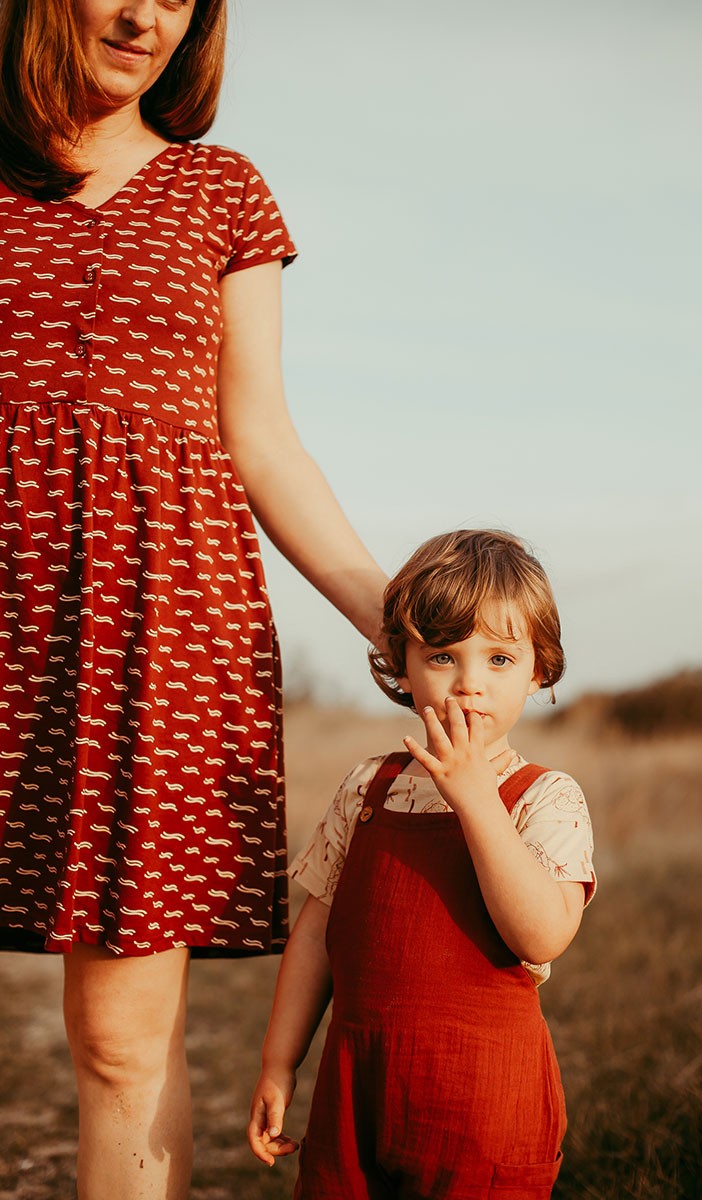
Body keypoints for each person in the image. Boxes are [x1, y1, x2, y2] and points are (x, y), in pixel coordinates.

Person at [0, 2, 385, 1197]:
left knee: (121, 1038)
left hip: (155, 638)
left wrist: (390, 613)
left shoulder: (218, 189)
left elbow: (260, 440)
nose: (144, 14)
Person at [248, 529, 597, 1199]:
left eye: (499, 658)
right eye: (442, 655)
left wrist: (474, 797)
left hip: (484, 1104)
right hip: (358, 1092)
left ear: (539, 670)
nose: (469, 684)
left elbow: (542, 935)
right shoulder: (367, 788)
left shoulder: (545, 796)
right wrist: (278, 1062)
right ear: (402, 668)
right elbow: (318, 933)